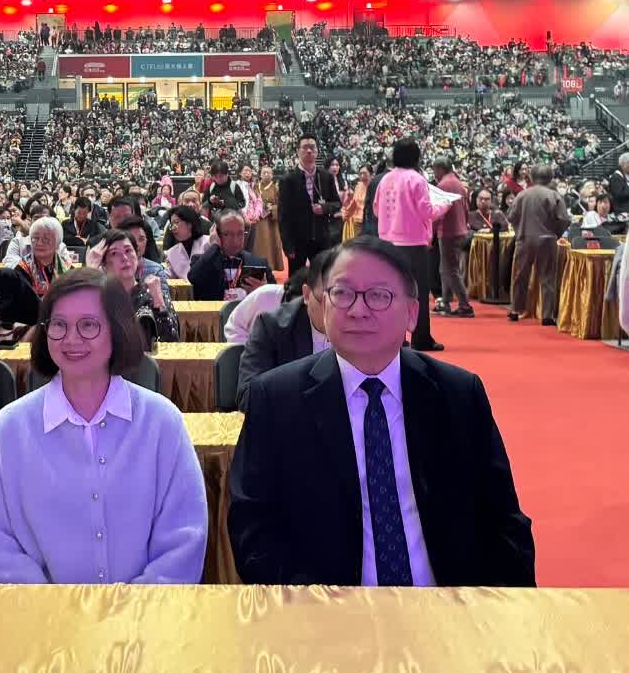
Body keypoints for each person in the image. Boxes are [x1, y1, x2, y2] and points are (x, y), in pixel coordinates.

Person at [228, 235, 535, 587]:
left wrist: (484, 605)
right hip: (323, 607)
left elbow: (504, 520)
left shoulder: (458, 394)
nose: (358, 310)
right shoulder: (276, 399)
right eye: (342, 293)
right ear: (323, 307)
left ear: (412, 314)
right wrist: (316, 605)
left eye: (378, 295)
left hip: (449, 605)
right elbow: (253, 530)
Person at [0, 268, 207, 584]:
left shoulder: (162, 422)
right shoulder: (11, 428)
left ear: (118, 330)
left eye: (89, 325)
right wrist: (53, 607)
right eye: (59, 325)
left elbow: (184, 538)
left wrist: (132, 607)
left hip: (146, 611)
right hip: (40, 613)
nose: (71, 339)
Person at [235, 253, 334, 407]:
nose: (335, 310)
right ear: (307, 295)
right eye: (325, 300)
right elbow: (249, 396)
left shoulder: (365, 328)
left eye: (346, 297)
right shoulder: (272, 328)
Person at [374, 137, 441, 353]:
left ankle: (395, 338)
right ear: (416, 157)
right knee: (418, 293)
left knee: (393, 292)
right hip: (412, 244)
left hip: (387, 243)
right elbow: (427, 211)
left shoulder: (385, 179)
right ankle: (421, 338)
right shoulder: (416, 179)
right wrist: (444, 206)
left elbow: (376, 209)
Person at [507, 164, 570, 325]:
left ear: (532, 177)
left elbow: (511, 216)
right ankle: (547, 315)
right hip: (547, 239)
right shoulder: (554, 196)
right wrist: (555, 233)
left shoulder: (522, 195)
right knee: (547, 278)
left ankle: (515, 310)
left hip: (525, 238)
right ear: (550, 178)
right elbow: (564, 219)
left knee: (520, 275)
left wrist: (520, 229)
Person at [99, 228, 178, 345]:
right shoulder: (99, 297)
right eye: (114, 253)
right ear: (104, 264)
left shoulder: (153, 291)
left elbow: (172, 342)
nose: (124, 258)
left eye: (128, 250)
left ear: (137, 255)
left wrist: (159, 302)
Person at [277, 134, 340, 276]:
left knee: (322, 278)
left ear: (317, 151)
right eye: (305, 147)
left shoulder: (326, 176)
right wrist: (287, 245)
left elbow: (337, 203)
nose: (309, 151)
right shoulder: (288, 180)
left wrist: (324, 208)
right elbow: (283, 216)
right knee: (296, 281)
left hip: (322, 238)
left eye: (312, 147)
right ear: (298, 151)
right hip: (297, 241)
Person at [187, 211, 271, 302]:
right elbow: (193, 279)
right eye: (227, 234)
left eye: (240, 233)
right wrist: (215, 246)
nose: (235, 240)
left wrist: (264, 291)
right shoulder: (203, 261)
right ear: (217, 234)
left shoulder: (258, 264)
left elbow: (278, 301)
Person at [431, 158, 473, 319]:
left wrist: (430, 233)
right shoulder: (459, 184)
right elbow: (466, 209)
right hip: (460, 230)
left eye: (435, 169)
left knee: (452, 270)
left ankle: (465, 305)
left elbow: (438, 213)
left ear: (441, 168)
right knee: (446, 268)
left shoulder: (442, 186)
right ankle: (446, 301)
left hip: (449, 231)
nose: (434, 173)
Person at [4, 216, 71, 300]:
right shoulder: (22, 270)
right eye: (35, 238)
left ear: (57, 243)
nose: (39, 243)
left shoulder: (67, 268)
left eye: (46, 239)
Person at [162, 205, 210, 279]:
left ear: (189, 224)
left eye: (177, 222)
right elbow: (168, 276)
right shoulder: (172, 252)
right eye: (172, 224)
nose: (173, 228)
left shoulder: (208, 243)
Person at [608, 152, 629, 216]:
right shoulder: (616, 177)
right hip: (622, 211)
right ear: (623, 164)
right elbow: (619, 194)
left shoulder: (625, 175)